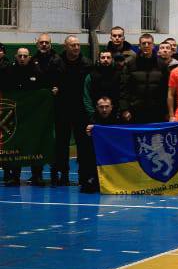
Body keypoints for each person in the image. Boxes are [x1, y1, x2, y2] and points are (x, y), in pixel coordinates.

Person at [48, 36, 92, 187]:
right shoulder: (56, 62)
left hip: (80, 110)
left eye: (78, 45)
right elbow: (48, 81)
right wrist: (53, 88)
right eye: (73, 45)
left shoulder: (87, 64)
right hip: (62, 109)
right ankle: (63, 174)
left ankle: (83, 175)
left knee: (83, 144)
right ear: (65, 46)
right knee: (61, 143)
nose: (76, 47)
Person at [3, 47, 48, 185]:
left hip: (33, 116)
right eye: (20, 56)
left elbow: (44, 89)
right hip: (15, 116)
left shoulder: (37, 71)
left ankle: (37, 175)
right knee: (15, 145)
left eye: (25, 56)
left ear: (29, 57)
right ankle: (14, 176)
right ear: (16, 57)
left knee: (36, 144)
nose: (22, 58)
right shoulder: (9, 71)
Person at [120, 33, 170, 124]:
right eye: (143, 43)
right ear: (139, 46)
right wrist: (124, 109)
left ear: (153, 46)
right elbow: (124, 88)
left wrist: (167, 111)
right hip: (135, 111)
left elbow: (166, 89)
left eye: (149, 43)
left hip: (157, 111)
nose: (146, 45)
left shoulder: (162, 64)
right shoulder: (130, 64)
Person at [80, 96, 124, 193]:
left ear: (111, 107)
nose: (104, 110)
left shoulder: (118, 120)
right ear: (97, 107)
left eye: (107, 106)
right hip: (96, 156)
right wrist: (88, 133)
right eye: (101, 107)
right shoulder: (90, 120)